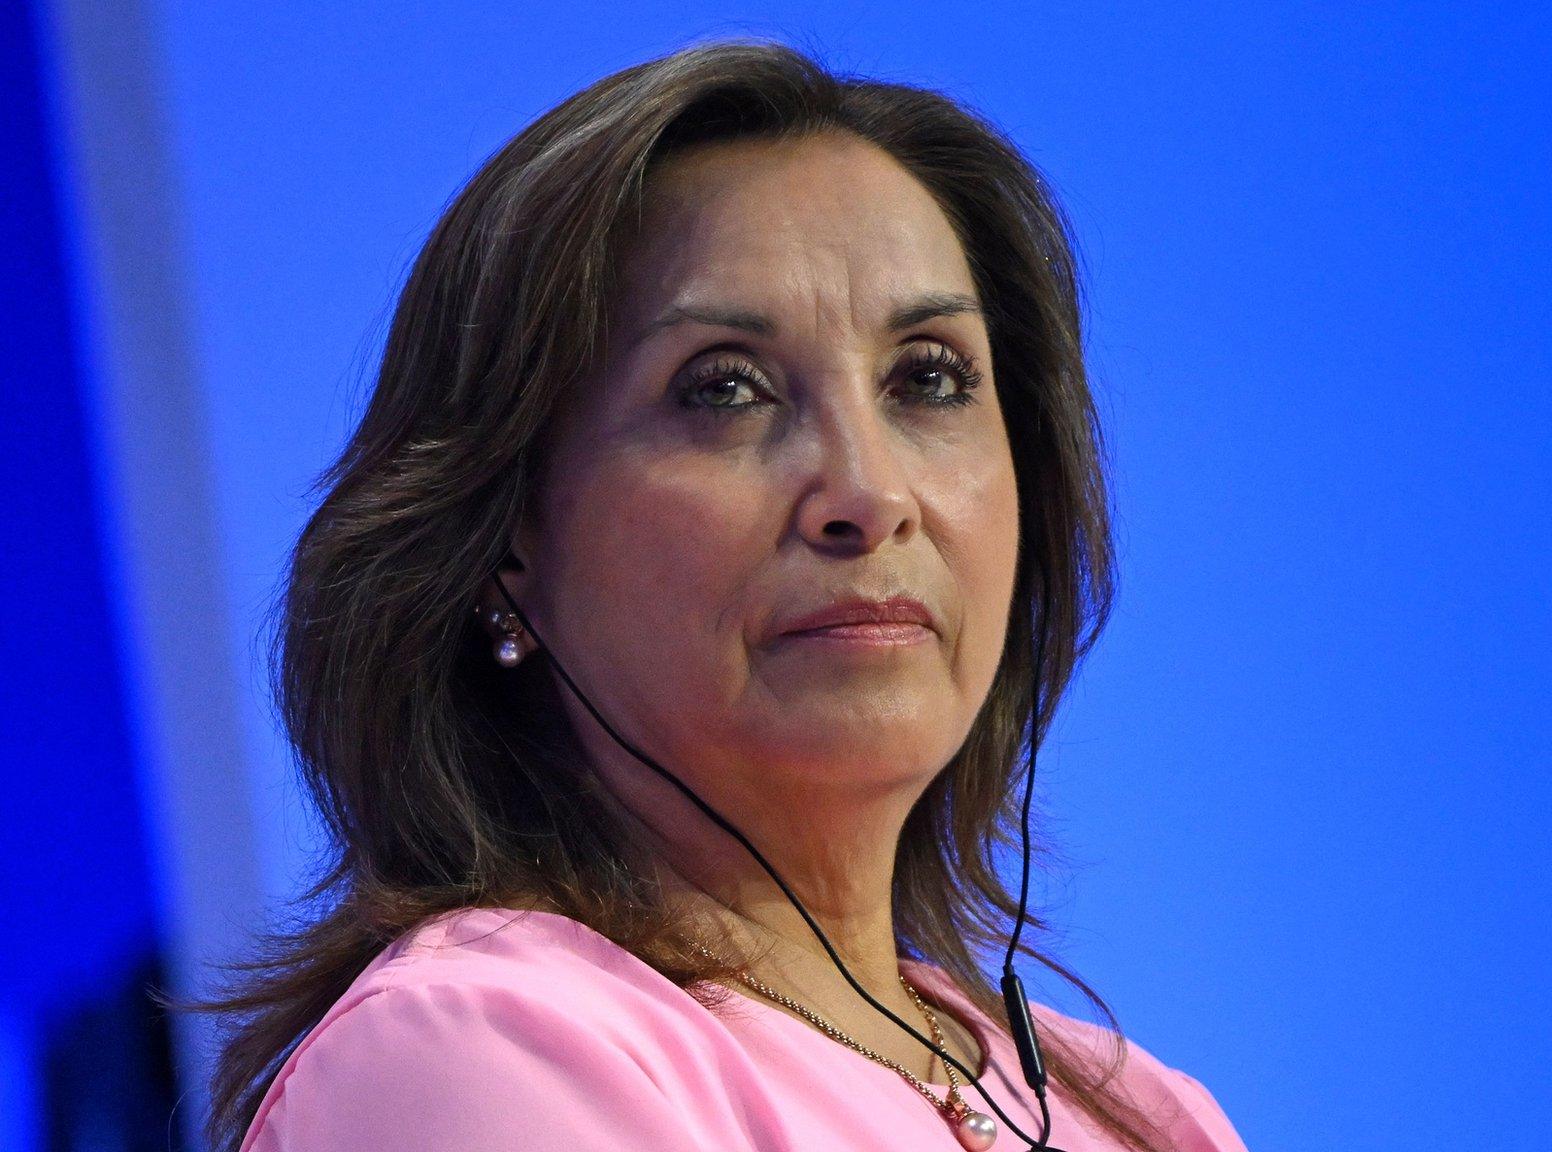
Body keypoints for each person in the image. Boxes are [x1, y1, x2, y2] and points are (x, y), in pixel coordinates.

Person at [197, 36, 1249, 1152]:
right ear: (507, 536)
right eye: (725, 391)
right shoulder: (475, 1047)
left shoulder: (1136, 1111)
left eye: (928, 378)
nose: (866, 492)